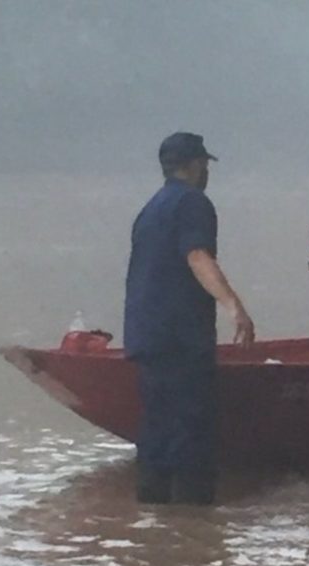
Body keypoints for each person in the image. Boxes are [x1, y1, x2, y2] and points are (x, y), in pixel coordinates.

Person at [124, 132, 255, 505]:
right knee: (191, 432)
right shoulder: (194, 203)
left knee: (156, 429)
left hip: (146, 335)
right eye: (204, 164)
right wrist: (234, 306)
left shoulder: (151, 208)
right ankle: (193, 524)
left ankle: (155, 526)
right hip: (181, 337)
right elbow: (197, 256)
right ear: (197, 165)